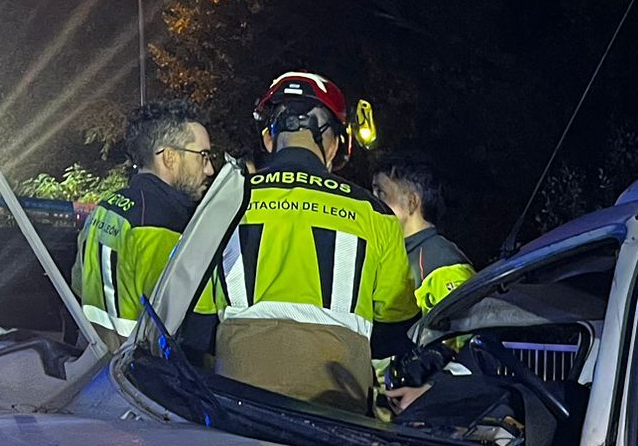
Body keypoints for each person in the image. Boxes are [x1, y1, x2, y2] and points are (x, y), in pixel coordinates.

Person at [208, 70, 415, 411]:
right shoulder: (374, 213)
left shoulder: (226, 205)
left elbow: (197, 320)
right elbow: (394, 331)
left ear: (269, 139)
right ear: (333, 143)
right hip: (336, 412)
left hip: (236, 408)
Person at [71, 98, 216, 341]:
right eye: (203, 155)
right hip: (139, 368)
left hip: (93, 361)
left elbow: (78, 283)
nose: (210, 169)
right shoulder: (165, 224)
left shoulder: (106, 207)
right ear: (169, 157)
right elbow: (190, 328)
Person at [372, 154, 475, 314]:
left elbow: (463, 332)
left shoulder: (442, 263)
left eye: (381, 193)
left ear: (411, 202)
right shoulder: (396, 252)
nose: (372, 202)